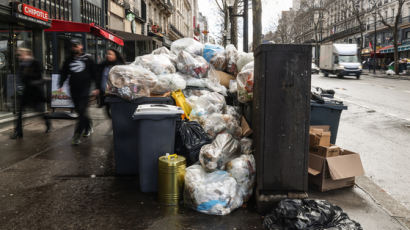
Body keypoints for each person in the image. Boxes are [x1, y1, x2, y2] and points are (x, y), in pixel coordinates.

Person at [59, 39, 98, 145]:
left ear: (81, 46)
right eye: (73, 46)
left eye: (76, 46)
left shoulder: (88, 59)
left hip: (85, 90)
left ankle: (76, 135)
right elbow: (64, 73)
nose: (75, 48)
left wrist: (97, 88)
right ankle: (88, 125)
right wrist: (60, 84)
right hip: (74, 90)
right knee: (81, 112)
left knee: (81, 111)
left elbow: (95, 73)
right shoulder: (68, 60)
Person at [11, 48, 50, 139]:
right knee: (20, 112)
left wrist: (27, 74)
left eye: (21, 55)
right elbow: (20, 77)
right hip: (26, 92)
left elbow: (39, 76)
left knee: (39, 111)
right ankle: (18, 132)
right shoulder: (22, 65)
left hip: (35, 91)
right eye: (19, 55)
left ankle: (48, 123)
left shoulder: (35, 63)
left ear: (26, 54)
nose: (20, 57)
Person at [97, 49, 125, 117]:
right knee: (108, 113)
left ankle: (116, 125)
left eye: (110, 54)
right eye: (107, 54)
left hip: (115, 94)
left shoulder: (120, 66)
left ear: (116, 56)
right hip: (105, 94)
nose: (108, 55)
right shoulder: (103, 65)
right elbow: (99, 77)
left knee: (115, 113)